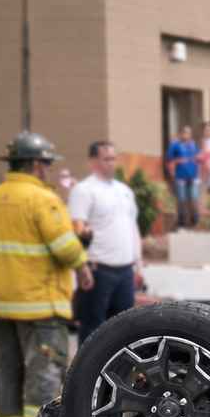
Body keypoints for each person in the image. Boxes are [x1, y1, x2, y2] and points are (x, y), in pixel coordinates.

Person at [0, 131, 91, 417]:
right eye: (46, 164)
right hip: (40, 305)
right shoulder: (44, 200)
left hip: (0, 305)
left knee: (7, 372)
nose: (47, 170)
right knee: (44, 373)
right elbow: (64, 248)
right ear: (36, 164)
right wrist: (83, 261)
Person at [68, 140, 142, 344]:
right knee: (93, 330)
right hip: (98, 270)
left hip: (125, 270)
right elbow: (77, 229)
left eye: (113, 158)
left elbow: (132, 228)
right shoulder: (84, 190)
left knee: (124, 332)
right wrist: (81, 267)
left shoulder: (124, 191)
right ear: (92, 161)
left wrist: (138, 265)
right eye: (106, 159)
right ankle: (86, 375)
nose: (111, 163)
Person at [166, 125, 200, 229]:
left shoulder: (193, 145)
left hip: (193, 177)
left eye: (189, 132)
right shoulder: (175, 145)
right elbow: (169, 159)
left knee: (193, 198)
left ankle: (195, 220)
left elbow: (198, 158)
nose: (187, 134)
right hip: (180, 177)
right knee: (181, 200)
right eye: (185, 132)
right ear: (181, 133)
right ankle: (181, 221)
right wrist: (172, 171)